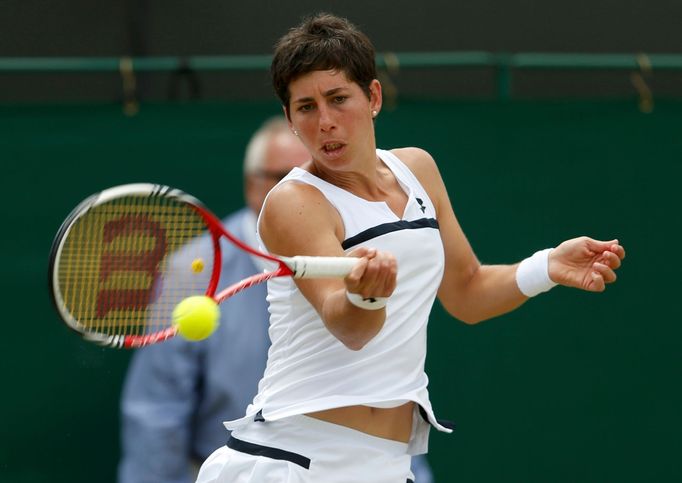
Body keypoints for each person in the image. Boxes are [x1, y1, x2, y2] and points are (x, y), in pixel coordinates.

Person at [195, 13, 626, 483]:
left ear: (373, 96)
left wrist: (546, 267)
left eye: (338, 99)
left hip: (386, 465)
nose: (325, 122)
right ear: (290, 118)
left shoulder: (417, 169)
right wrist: (367, 294)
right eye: (306, 107)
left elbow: (467, 291)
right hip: (294, 460)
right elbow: (350, 326)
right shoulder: (294, 203)